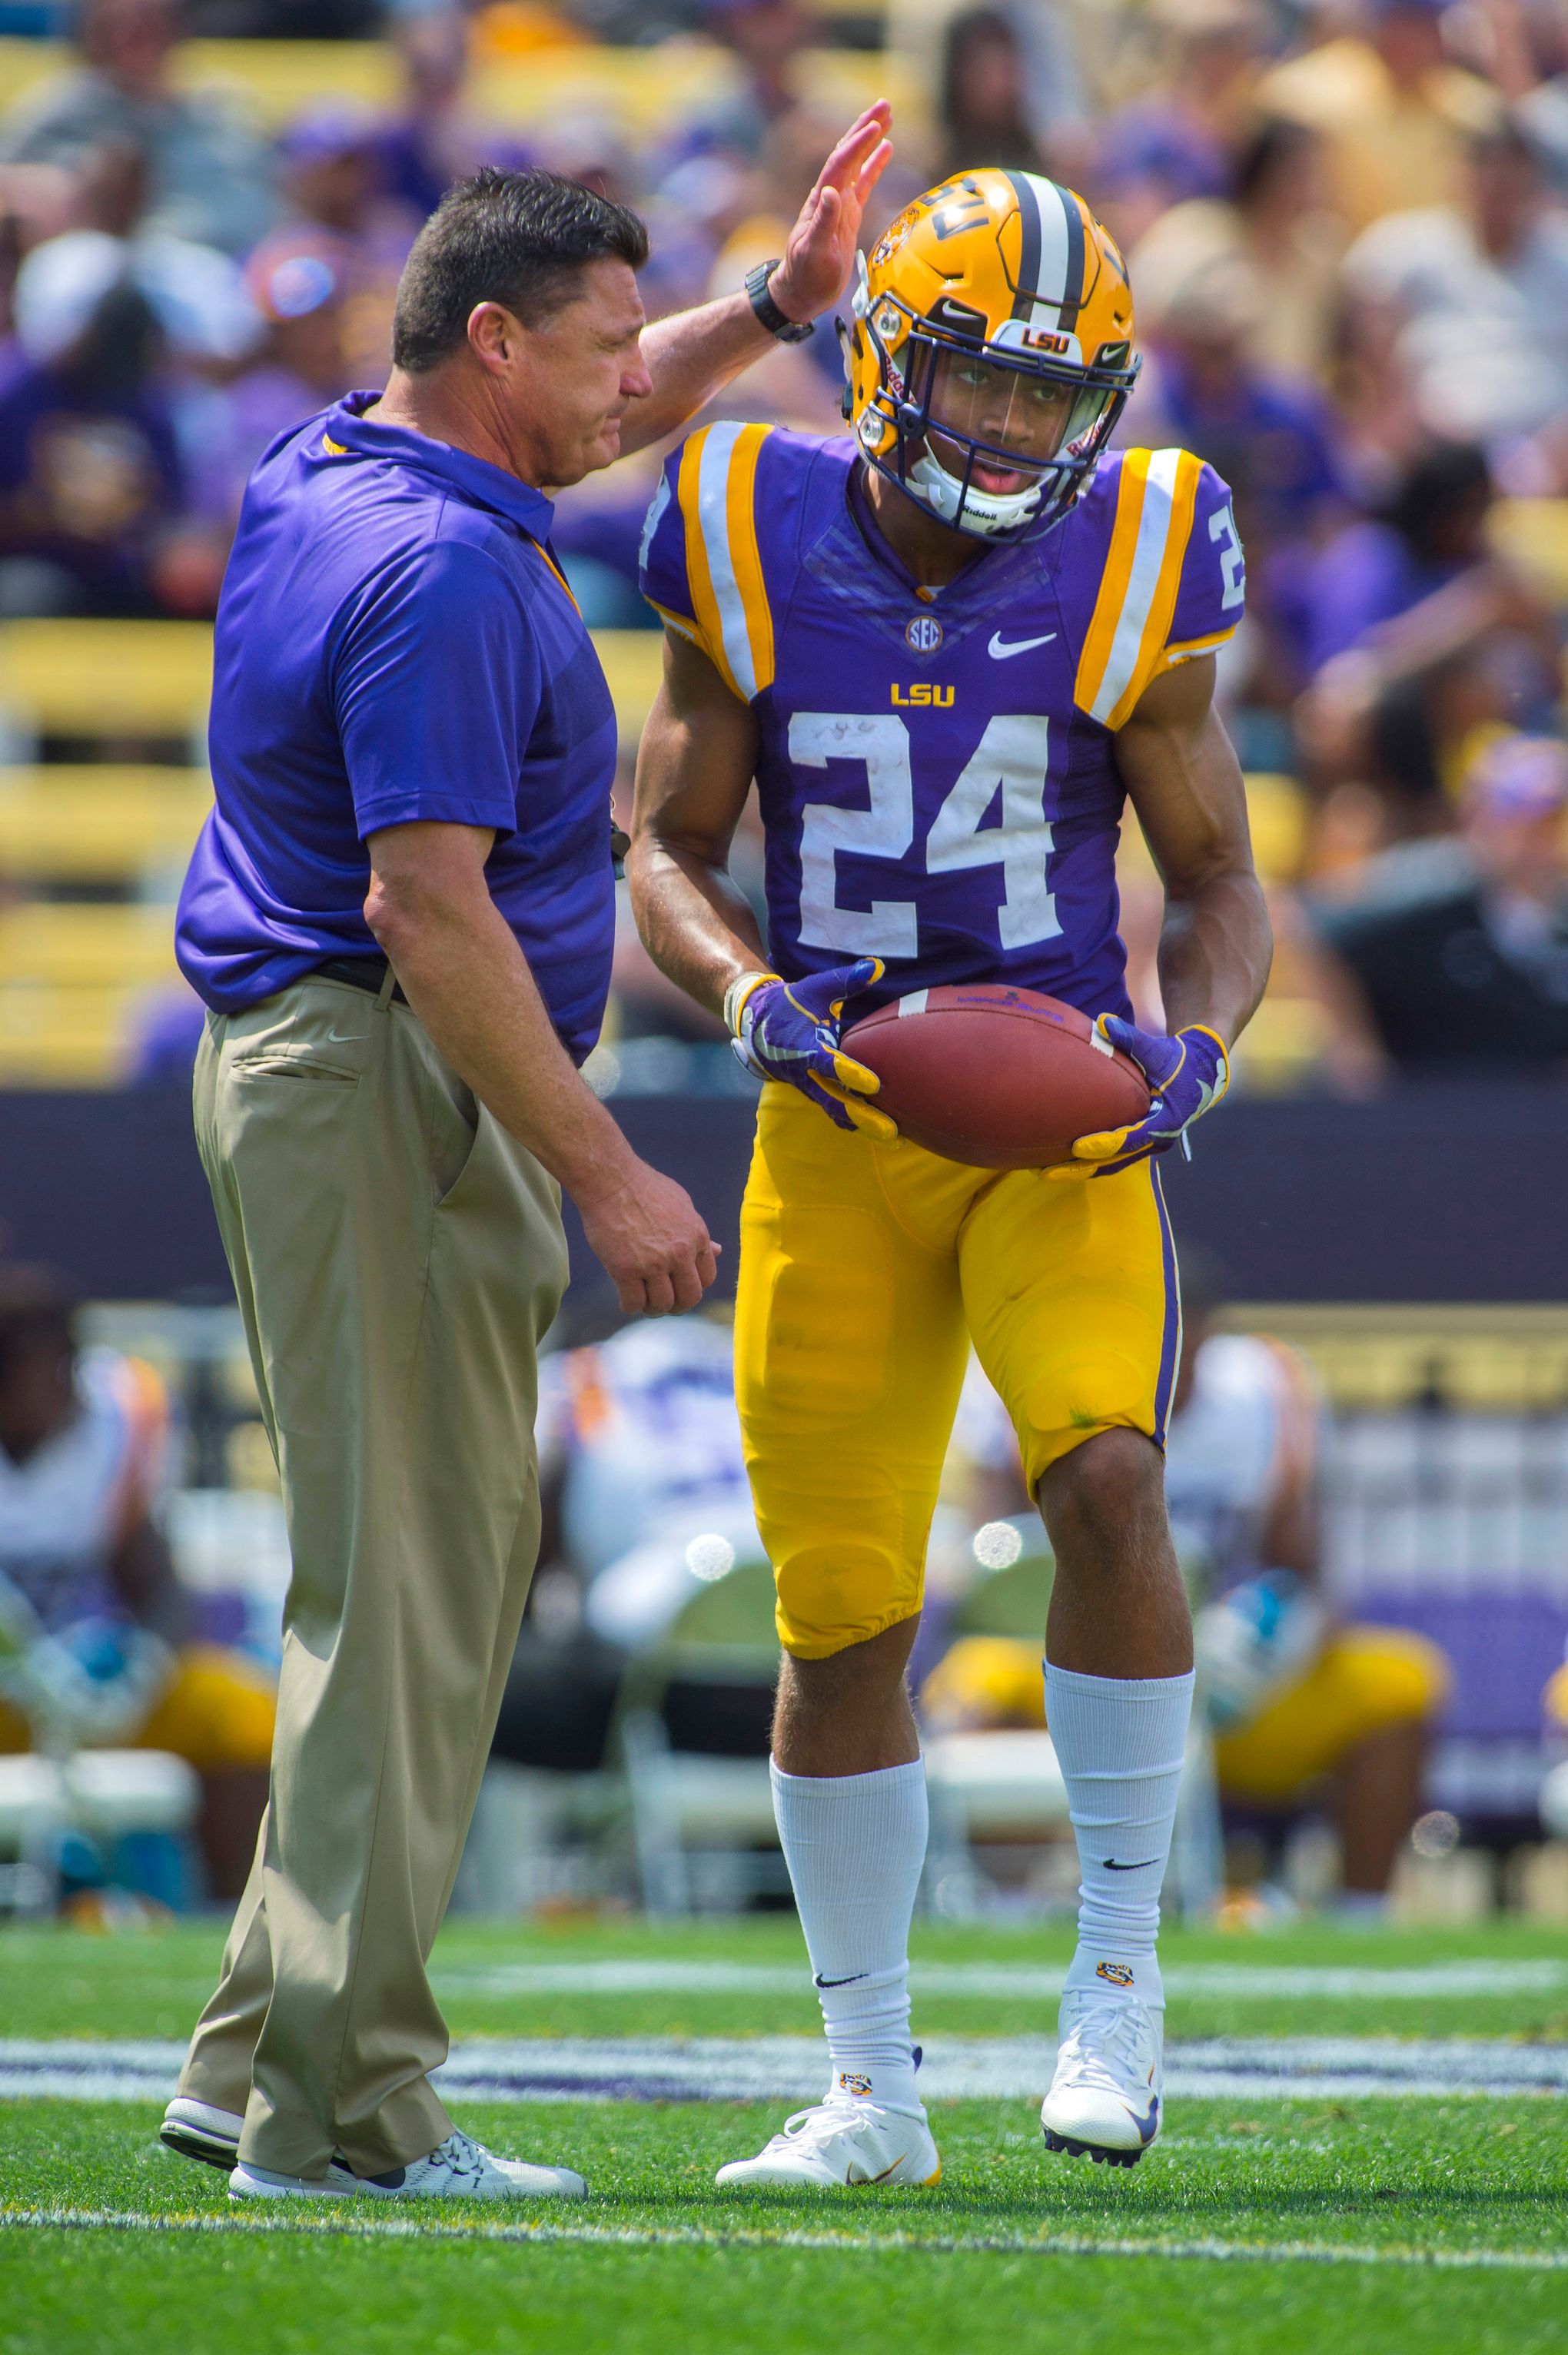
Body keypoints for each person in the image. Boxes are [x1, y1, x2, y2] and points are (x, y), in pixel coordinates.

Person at [161, 121, 893, 2207]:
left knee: (407, 1588)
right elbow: (433, 911)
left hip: (334, 1078)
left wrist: (772, 306)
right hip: (389, 1079)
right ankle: (346, 2119)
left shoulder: (340, 458)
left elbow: (607, 381)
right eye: (594, 356)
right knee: (402, 1606)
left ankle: (250, 2058)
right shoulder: (454, 572)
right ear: (491, 343)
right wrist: (610, 1174)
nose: (628, 394)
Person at [630, 168, 1271, 2185]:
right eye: (980, 386)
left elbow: (1226, 882)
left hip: (1059, 1102)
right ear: (887, 362)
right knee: (837, 1620)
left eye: (1049, 395)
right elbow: (667, 848)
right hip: (836, 1120)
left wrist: (1200, 1048)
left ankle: (1113, 1978)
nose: (1014, 432)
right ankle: (873, 2092)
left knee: (1106, 1474)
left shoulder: (1144, 544)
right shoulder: (742, 522)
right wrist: (745, 998)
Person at [935, 1261, 1452, 1912]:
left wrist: (1276, 1630)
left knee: (1400, 1684)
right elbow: (985, 1570)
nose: (1171, 1373)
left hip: (1219, 1683)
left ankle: (1360, 1918)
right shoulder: (1032, 1385)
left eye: (1185, 1349)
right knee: (980, 1681)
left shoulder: (1264, 1394)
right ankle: (1008, 1911)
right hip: (1070, 1678)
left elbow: (1307, 1574)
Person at [0, 1265, 275, 1899]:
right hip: (12, 1697)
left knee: (242, 1718)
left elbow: (153, 1578)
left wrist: (141, 1661)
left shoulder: (109, 1419)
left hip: (83, 1691)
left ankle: (231, 1916)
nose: (58, 1392)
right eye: (33, 1373)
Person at [1312, 732, 1568, 1071]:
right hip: (1431, 1113)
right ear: (1477, 818)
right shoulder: (1427, 890)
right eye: (1526, 823)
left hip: (1531, 1116)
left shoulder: (1556, 912)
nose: (1539, 841)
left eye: (1553, 822)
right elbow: (1313, 928)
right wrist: (1357, 1050)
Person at [0, 0, 278, 257]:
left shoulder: (220, 110)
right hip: (92, 264)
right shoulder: (63, 110)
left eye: (150, 23)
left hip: (216, 264)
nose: (136, 37)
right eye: (119, 26)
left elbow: (264, 200)